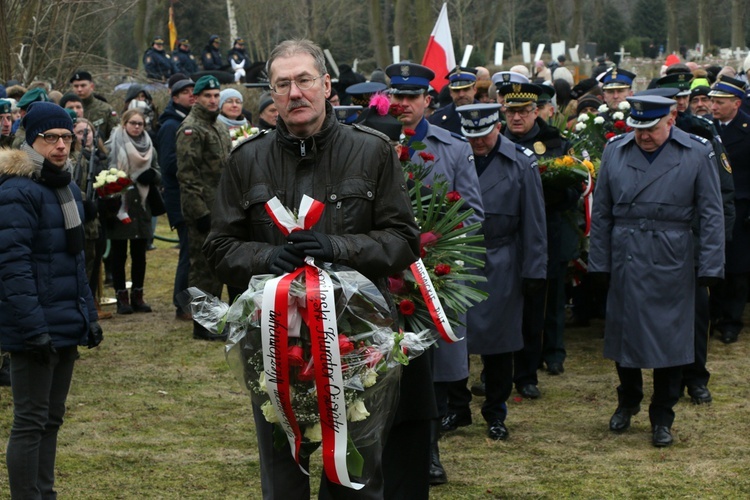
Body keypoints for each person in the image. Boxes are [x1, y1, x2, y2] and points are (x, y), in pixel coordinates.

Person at [204, 38, 429, 499]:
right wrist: (267, 258)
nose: (295, 93)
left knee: (355, 476)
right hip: (273, 345)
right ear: (270, 93)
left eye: (305, 80)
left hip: (356, 340)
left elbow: (404, 240)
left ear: (326, 86)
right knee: (284, 473)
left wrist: (338, 246)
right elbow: (219, 247)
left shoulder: (372, 152)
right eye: (283, 84)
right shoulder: (246, 160)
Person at [589, 94, 724, 448]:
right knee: (624, 336)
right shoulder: (616, 150)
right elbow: (601, 211)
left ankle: (662, 414)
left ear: (671, 120)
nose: (643, 136)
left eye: (651, 128)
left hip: (673, 257)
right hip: (627, 255)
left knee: (671, 341)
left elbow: (711, 213)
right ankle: (627, 400)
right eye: (637, 129)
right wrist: (599, 261)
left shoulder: (697, 152)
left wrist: (711, 265)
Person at [386, 61, 483, 486]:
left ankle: (430, 449)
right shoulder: (368, 144)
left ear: (428, 100)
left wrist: (438, 242)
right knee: (383, 361)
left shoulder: (454, 148)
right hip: (381, 271)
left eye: (411, 97)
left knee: (434, 366)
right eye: (397, 96)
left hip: (433, 274)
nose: (403, 104)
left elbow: (473, 213)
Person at [0, 101, 103, 498]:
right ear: (31, 140)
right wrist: (33, 329)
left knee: (52, 418)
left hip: (64, 321)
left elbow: (76, 263)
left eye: (66, 137)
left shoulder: (66, 187)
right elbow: (12, 268)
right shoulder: (16, 191)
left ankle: (45, 492)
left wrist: (87, 317)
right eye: (50, 138)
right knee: (30, 420)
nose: (61, 146)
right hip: (33, 325)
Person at [457, 103, 547, 443]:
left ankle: (495, 411)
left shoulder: (521, 161)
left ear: (497, 127)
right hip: (459, 258)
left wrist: (534, 268)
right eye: (471, 136)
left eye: (483, 135)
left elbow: (534, 221)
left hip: (502, 260)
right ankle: (457, 405)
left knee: (499, 343)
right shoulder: (456, 155)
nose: (477, 143)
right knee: (456, 340)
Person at [497, 82, 577, 393]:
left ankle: (544, 359)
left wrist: (542, 192)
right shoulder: (494, 141)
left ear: (535, 111)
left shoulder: (555, 143)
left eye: (523, 112)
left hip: (547, 233)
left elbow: (573, 192)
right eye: (511, 112)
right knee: (505, 303)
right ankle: (501, 366)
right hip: (506, 237)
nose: (517, 118)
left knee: (545, 301)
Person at [175, 75, 231, 340]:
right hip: (202, 209)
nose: (213, 100)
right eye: (207, 96)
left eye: (216, 95)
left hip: (222, 206)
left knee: (219, 265)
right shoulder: (191, 128)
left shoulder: (218, 125)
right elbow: (187, 175)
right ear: (196, 98)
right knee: (203, 267)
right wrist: (199, 212)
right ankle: (203, 325)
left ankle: (216, 320)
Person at [104, 109, 160, 315]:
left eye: (141, 124)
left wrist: (153, 175)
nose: (137, 127)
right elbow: (103, 173)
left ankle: (138, 294)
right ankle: (121, 296)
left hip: (142, 204)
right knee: (119, 254)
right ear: (124, 123)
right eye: (133, 123)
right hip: (120, 205)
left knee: (140, 254)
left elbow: (158, 171)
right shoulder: (112, 145)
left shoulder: (150, 147)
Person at [709, 76, 750, 345]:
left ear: (736, 104)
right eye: (712, 101)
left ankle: (732, 321)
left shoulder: (747, 129)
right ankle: (712, 315)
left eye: (719, 102)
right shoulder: (704, 128)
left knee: (738, 267)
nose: (712, 106)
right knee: (714, 263)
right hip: (711, 205)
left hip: (742, 205)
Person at [157, 78, 195, 321]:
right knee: (188, 251)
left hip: (189, 196)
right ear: (174, 97)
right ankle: (181, 304)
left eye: (193, 91)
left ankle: (189, 300)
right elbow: (169, 164)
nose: (191, 95)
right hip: (180, 197)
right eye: (185, 92)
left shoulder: (187, 120)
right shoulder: (171, 125)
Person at [70, 70, 118, 141]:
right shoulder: (66, 109)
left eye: (83, 85)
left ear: (91, 86)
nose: (79, 89)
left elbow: (115, 135)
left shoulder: (105, 109)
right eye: (76, 86)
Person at [429, 66, 478, 134]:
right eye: (456, 90)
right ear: (451, 92)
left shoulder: (488, 114)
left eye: (466, 89)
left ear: (475, 90)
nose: (461, 94)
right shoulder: (437, 118)